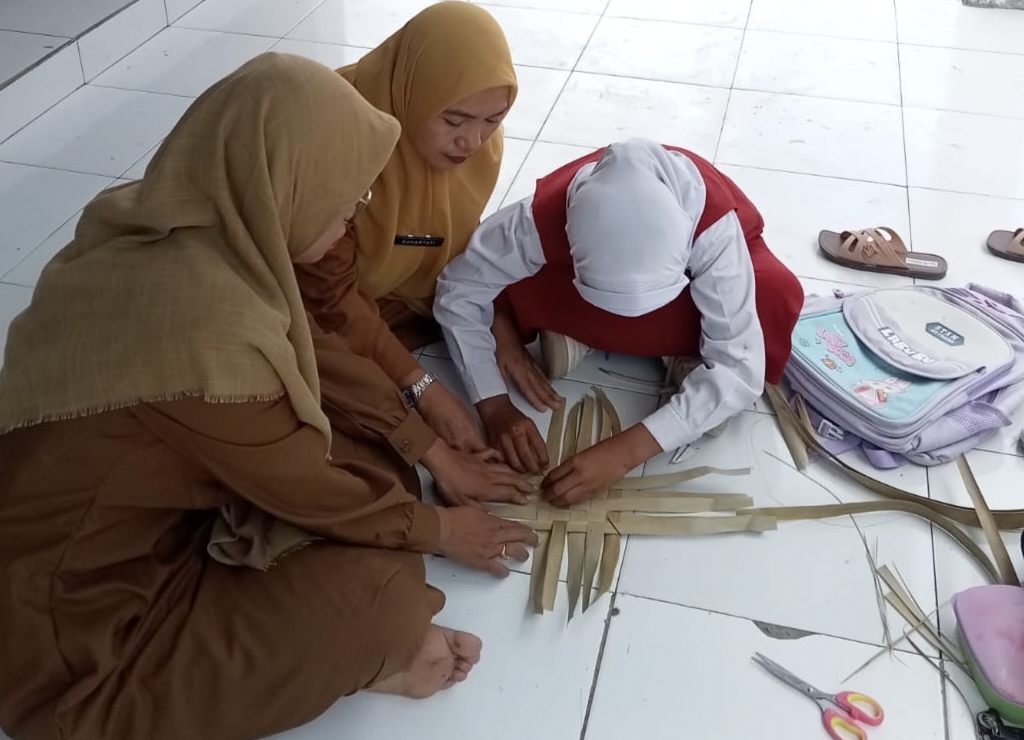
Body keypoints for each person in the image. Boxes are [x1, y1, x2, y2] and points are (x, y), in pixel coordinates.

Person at [0, 53, 537, 740]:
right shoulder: (206, 338)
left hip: (147, 520)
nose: (350, 222)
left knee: (370, 453)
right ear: (285, 183)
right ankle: (375, 655)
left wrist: (427, 442)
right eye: (345, 203)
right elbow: (317, 491)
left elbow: (307, 346)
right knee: (384, 607)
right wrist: (445, 530)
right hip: (78, 639)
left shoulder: (177, 225)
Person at [434, 139, 805, 506]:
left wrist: (626, 452)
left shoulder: (712, 225)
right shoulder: (537, 219)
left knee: (774, 292)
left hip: (686, 301)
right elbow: (459, 289)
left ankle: (629, 344)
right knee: (503, 279)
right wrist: (493, 403)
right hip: (590, 298)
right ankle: (644, 349)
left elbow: (740, 366)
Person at [296, 3, 521, 489]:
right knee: (324, 391)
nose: (472, 142)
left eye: (493, 118)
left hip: (387, 290)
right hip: (306, 286)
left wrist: (498, 328)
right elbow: (330, 297)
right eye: (454, 119)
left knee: (522, 283)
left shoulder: (481, 148)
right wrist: (423, 388)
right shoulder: (338, 139)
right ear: (410, 92)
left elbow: (461, 246)